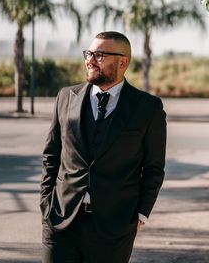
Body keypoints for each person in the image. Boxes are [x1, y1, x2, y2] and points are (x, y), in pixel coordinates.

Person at [40, 31, 166, 263]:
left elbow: (153, 169)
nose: (89, 60)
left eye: (99, 55)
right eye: (89, 53)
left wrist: (141, 215)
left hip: (114, 228)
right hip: (61, 221)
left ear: (123, 62)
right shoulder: (66, 97)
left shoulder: (147, 108)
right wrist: (46, 203)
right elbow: (51, 155)